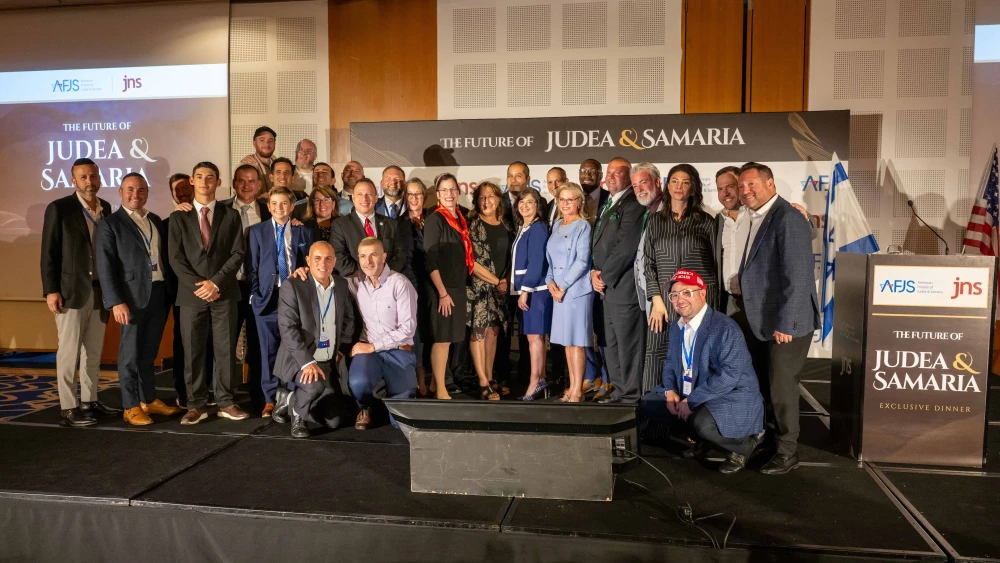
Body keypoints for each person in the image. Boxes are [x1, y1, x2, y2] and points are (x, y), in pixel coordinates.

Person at [734, 162, 820, 475]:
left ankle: (788, 453)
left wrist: (787, 322)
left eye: (751, 184)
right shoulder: (764, 216)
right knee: (768, 385)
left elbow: (797, 275)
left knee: (782, 388)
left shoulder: (787, 216)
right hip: (764, 319)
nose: (745, 191)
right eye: (741, 186)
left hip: (787, 322)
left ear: (770, 183)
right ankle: (772, 443)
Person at [639, 269, 765, 474]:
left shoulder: (725, 328)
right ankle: (704, 440)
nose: (680, 299)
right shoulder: (677, 326)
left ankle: (744, 445)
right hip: (697, 391)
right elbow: (670, 361)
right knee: (650, 403)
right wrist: (670, 390)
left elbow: (730, 376)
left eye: (686, 292)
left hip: (731, 394)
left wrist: (691, 401)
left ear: (702, 293)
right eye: (674, 295)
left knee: (701, 422)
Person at [95, 173, 182, 425]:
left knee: (149, 352)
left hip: (158, 294)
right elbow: (106, 266)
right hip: (130, 299)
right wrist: (115, 301)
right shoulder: (110, 224)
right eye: (130, 189)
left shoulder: (154, 219)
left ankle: (149, 399)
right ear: (121, 192)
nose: (136, 194)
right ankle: (130, 405)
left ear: (147, 192)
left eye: (141, 189)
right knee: (130, 354)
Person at [41, 157, 120, 426]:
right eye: (83, 177)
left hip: (99, 293)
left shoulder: (106, 208)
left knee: (93, 353)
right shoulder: (60, 208)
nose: (90, 181)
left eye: (93, 176)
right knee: (69, 352)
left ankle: (89, 400)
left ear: (100, 179)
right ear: (73, 181)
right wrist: (51, 290)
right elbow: (49, 253)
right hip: (71, 293)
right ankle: (68, 407)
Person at [168, 161, 249, 424]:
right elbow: (175, 258)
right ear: (192, 181)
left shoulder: (230, 215)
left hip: (224, 293)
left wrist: (215, 283)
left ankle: (226, 402)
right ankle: (196, 405)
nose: (204, 182)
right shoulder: (179, 216)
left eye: (210, 177)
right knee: (192, 351)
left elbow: (238, 253)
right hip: (191, 296)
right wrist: (200, 286)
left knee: (226, 350)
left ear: (218, 182)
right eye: (199, 177)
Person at [642, 164, 718, 393]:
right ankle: (655, 418)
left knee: (698, 356)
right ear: (667, 185)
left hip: (699, 303)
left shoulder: (706, 222)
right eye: (674, 181)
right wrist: (656, 299)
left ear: (693, 187)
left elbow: (716, 265)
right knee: (658, 354)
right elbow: (648, 264)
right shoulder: (655, 221)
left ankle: (695, 414)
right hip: (664, 302)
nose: (679, 186)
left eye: (685, 182)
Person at [274, 241, 355, 438]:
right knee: (314, 385)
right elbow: (288, 330)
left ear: (335, 261)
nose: (323, 264)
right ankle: (297, 414)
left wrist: (341, 350)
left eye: (328, 258)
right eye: (317, 258)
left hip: (327, 361)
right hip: (300, 360)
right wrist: (307, 362)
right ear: (308, 261)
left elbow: (349, 320)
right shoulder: (292, 286)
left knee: (335, 421)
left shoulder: (342, 284)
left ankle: (291, 398)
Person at [247, 186, 312, 416]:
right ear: (268, 206)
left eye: (284, 203)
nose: (279, 208)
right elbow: (252, 268)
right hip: (267, 298)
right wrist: (255, 296)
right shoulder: (256, 231)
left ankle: (292, 395)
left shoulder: (303, 232)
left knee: (293, 346)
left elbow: (308, 263)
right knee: (268, 350)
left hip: (294, 297)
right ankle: (270, 398)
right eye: (274, 203)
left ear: (292, 207)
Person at [591, 157, 646, 404]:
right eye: (609, 172)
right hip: (605, 288)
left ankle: (631, 395)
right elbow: (598, 245)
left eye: (618, 172)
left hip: (623, 287)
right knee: (610, 343)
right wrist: (594, 271)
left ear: (629, 176)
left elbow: (626, 248)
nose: (611, 176)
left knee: (627, 345)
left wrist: (605, 276)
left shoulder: (633, 204)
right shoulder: (607, 203)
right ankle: (619, 390)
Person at [348, 237, 418, 429]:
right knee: (358, 383)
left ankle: (392, 392)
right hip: (370, 354)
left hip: (398, 352)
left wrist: (372, 346)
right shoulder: (355, 282)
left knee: (401, 423)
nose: (368, 261)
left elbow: (407, 329)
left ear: (384, 257)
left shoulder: (400, 283)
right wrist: (303, 270)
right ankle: (365, 405)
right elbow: (325, 279)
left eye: (373, 255)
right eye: (363, 256)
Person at [217, 164, 271, 413]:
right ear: (234, 183)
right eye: (241, 181)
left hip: (259, 287)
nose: (246, 185)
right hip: (229, 286)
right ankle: (226, 398)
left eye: (251, 181)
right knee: (226, 344)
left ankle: (262, 397)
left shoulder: (270, 211)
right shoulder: (220, 210)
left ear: (260, 185)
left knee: (259, 343)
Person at [424, 173, 473, 400]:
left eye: (453, 189)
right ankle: (442, 390)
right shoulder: (436, 219)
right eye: (444, 190)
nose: (450, 194)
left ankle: (435, 384)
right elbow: (430, 260)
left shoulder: (461, 218)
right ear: (438, 195)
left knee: (451, 338)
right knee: (442, 340)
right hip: (443, 290)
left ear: (459, 191)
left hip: (458, 287)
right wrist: (442, 293)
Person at [546, 182, 594, 403]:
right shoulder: (557, 225)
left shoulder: (583, 225)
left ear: (579, 202)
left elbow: (582, 261)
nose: (565, 204)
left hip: (576, 291)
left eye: (570, 199)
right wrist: (550, 283)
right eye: (562, 199)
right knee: (567, 341)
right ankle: (572, 386)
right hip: (558, 292)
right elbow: (550, 261)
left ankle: (577, 390)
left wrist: (562, 286)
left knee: (576, 341)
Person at [467, 181, 511, 401]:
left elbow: (513, 257)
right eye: (482, 197)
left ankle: (490, 376)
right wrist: (496, 281)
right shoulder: (473, 225)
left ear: (498, 200)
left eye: (491, 197)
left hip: (500, 288)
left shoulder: (506, 225)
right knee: (479, 332)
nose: (486, 201)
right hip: (480, 288)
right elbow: (471, 261)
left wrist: (507, 280)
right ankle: (482, 382)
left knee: (493, 331)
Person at [511, 187, 552, 400]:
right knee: (533, 337)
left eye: (530, 202)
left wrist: (525, 291)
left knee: (535, 337)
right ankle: (541, 379)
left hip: (536, 291)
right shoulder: (524, 227)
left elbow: (537, 262)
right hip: (528, 290)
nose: (525, 205)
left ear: (538, 206)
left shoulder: (538, 228)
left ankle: (535, 382)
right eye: (521, 201)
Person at [330, 178, 404, 276]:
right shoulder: (340, 225)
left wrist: (384, 275)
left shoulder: (391, 224)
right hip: (356, 283)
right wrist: (367, 275)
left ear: (376, 198)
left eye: (368, 194)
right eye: (359, 194)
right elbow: (339, 257)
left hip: (387, 282)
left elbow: (400, 256)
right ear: (353, 198)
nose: (364, 199)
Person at [399, 178, 433, 397]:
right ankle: (420, 380)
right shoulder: (398, 222)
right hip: (410, 283)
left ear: (424, 196)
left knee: (434, 331)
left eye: (418, 194)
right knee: (417, 333)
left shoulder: (434, 218)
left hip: (435, 283)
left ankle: (438, 378)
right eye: (410, 195)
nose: (414, 199)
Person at [713, 166, 745, 316]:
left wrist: (803, 214)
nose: (725, 193)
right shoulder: (718, 220)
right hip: (729, 302)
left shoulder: (758, 215)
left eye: (730, 187)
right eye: (720, 189)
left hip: (758, 301)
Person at [240, 126, 276, 192]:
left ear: (275, 144)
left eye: (270, 140)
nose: (267, 144)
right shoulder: (246, 166)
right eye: (262, 140)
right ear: (254, 143)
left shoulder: (277, 163)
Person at [503, 161, 530, 225]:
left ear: (528, 179)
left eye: (518, 176)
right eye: (510, 176)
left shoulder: (538, 202)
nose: (513, 180)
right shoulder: (497, 202)